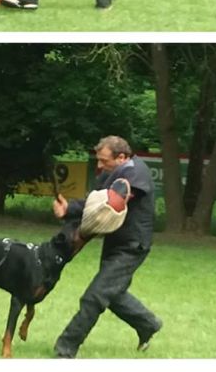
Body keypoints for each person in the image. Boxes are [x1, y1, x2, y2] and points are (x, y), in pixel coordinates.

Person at [51, 135, 162, 358]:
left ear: (121, 157)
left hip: (132, 246)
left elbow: (110, 204)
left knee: (94, 296)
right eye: (99, 160)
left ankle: (65, 349)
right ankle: (148, 324)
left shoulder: (135, 173)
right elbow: (92, 203)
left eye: (104, 160)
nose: (100, 165)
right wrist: (68, 208)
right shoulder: (111, 173)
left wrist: (74, 217)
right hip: (115, 241)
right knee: (112, 293)